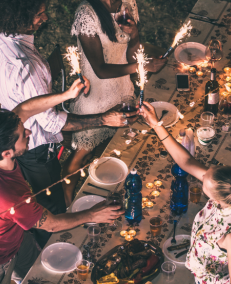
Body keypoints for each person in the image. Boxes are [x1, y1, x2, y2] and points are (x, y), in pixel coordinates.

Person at [0, 0, 131, 232]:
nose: (45, 19)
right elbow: (50, 123)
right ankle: (54, 246)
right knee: (51, 201)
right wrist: (104, 119)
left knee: (46, 195)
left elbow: (11, 101)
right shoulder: (27, 66)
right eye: (39, 14)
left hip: (12, 133)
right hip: (36, 150)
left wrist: (65, 95)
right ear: (19, 16)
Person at [0, 80, 125, 284]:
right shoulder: (9, 197)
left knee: (35, 278)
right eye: (23, 135)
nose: (29, 132)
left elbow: (25, 108)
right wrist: (93, 214)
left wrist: (67, 95)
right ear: (7, 153)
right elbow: (53, 225)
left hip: (18, 238)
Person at [63, 0, 167, 198]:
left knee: (137, 145)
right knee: (79, 157)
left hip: (124, 93)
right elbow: (100, 70)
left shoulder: (128, 4)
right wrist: (141, 67)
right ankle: (66, 202)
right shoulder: (87, 14)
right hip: (95, 99)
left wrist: (134, 34)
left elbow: (130, 56)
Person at [139, 103, 231, 284]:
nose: (202, 174)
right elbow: (186, 161)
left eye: (204, 178)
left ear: (214, 197)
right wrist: (155, 124)